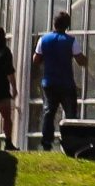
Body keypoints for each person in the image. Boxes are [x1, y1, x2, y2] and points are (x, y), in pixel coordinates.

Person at [33, 13, 84, 151]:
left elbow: (36, 59)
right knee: (70, 114)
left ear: (54, 23)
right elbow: (80, 61)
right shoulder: (71, 40)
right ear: (67, 25)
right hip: (66, 82)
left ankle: (46, 143)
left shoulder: (44, 40)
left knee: (49, 112)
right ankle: (71, 142)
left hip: (49, 82)